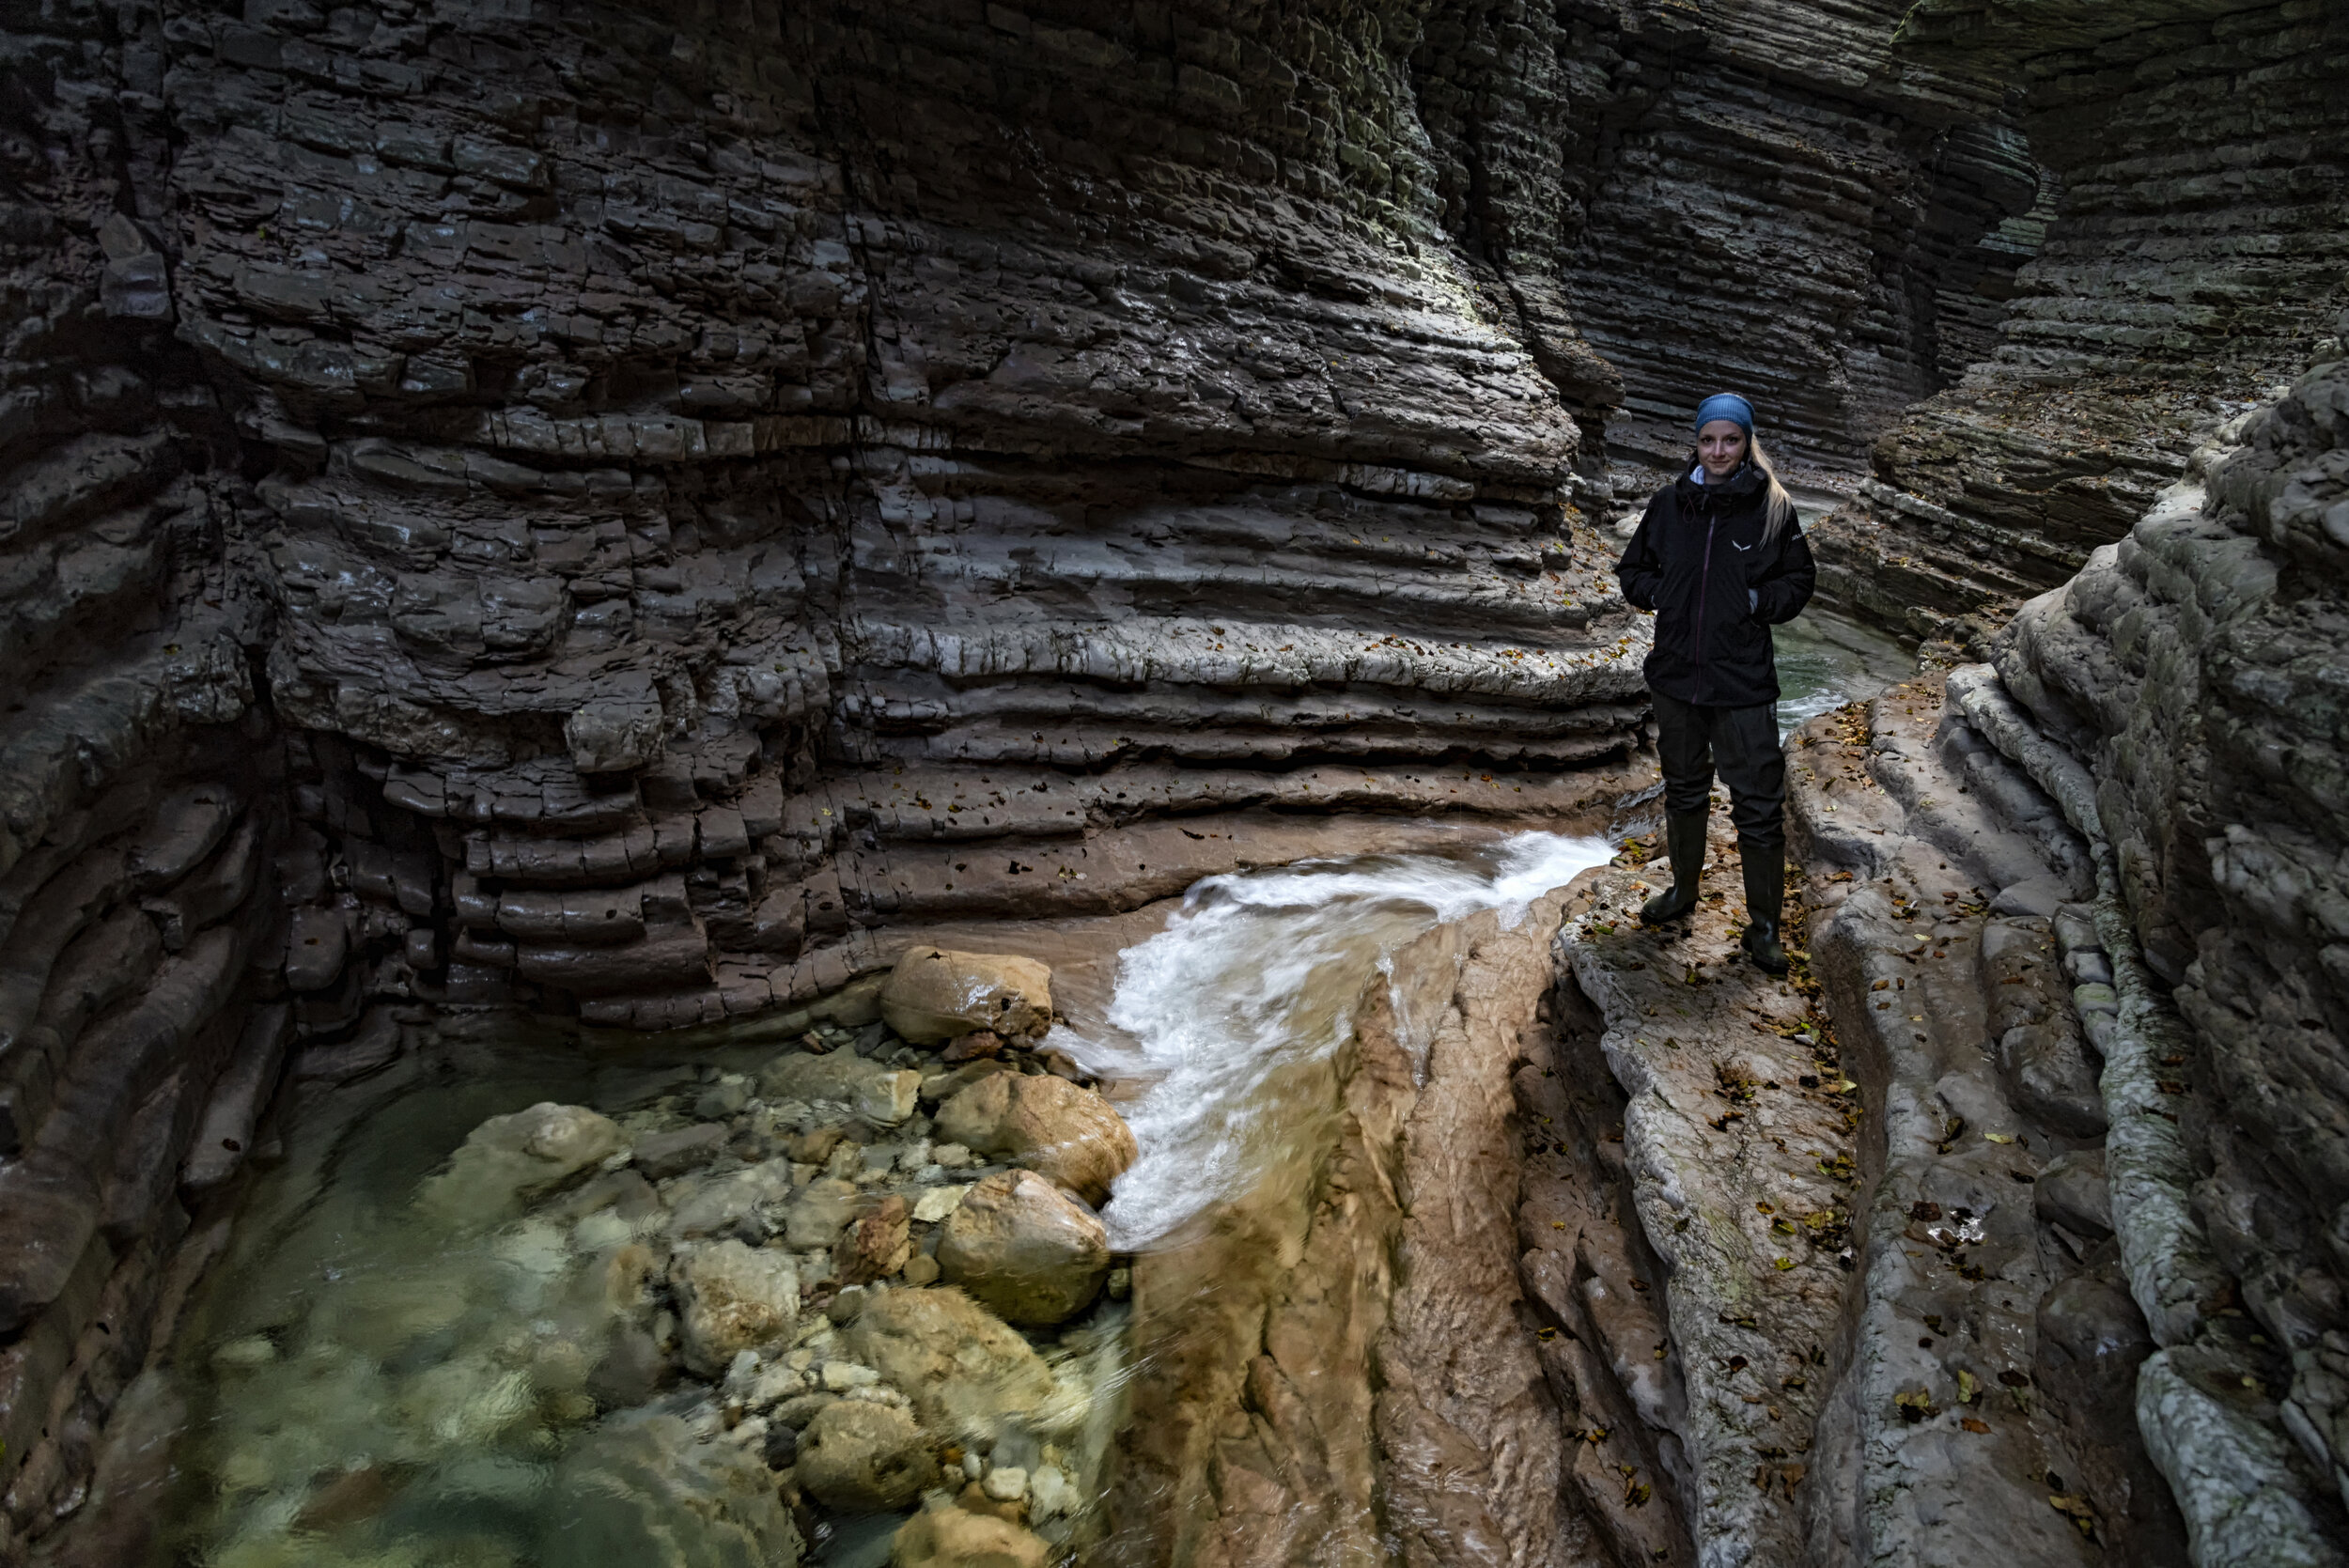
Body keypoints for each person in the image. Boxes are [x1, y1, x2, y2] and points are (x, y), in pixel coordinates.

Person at [1613, 393, 1815, 974]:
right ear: (1696, 443)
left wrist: (1755, 600)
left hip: (1743, 682)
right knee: (1683, 789)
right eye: (1709, 440)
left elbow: (1799, 582)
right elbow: (1633, 570)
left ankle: (1765, 929)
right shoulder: (1670, 505)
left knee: (1758, 805)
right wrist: (1659, 594)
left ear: (1747, 442)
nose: (1719, 450)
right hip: (1676, 677)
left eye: (1731, 439)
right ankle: (1682, 893)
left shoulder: (1773, 509)